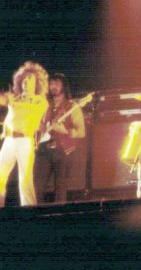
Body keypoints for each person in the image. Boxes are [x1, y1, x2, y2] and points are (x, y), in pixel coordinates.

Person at [0, 61, 49, 207]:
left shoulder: (40, 101)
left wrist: (11, 101)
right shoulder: (14, 98)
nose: (26, 83)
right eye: (24, 80)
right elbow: (9, 112)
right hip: (9, 140)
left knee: (25, 179)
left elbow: (29, 113)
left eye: (30, 80)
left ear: (37, 83)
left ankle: (29, 211)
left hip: (25, 141)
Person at [35, 73, 86, 204]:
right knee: (37, 188)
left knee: (60, 190)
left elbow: (81, 132)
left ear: (63, 86)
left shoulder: (72, 106)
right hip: (44, 151)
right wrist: (39, 127)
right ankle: (36, 214)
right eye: (51, 84)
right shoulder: (44, 106)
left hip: (63, 151)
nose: (53, 86)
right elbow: (39, 125)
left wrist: (65, 131)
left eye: (57, 84)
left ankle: (59, 215)